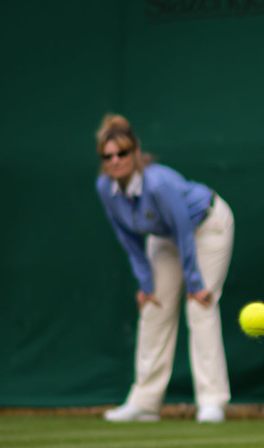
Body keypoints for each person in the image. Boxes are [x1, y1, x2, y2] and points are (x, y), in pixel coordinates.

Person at [95, 114, 234, 423]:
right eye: (108, 156)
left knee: (200, 306)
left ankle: (212, 402)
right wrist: (146, 284)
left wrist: (194, 283)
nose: (116, 160)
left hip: (208, 226)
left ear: (136, 153)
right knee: (154, 307)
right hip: (164, 237)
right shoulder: (105, 188)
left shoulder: (158, 183)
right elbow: (128, 237)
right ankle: (144, 403)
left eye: (122, 153)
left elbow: (184, 230)